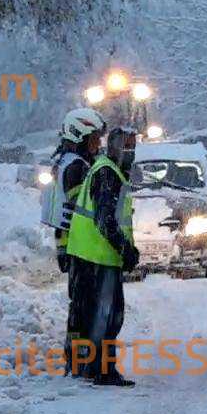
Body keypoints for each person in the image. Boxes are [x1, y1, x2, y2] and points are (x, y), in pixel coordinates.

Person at [64, 127, 139, 386]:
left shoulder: (104, 168)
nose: (130, 152)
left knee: (86, 313)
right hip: (98, 257)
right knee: (106, 315)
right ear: (115, 147)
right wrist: (125, 249)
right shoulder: (107, 173)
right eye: (126, 146)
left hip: (89, 254)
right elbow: (105, 219)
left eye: (133, 146)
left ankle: (81, 365)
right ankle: (101, 370)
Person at [46, 109, 106, 373]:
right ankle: (81, 359)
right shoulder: (76, 167)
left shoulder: (66, 162)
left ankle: (78, 358)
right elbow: (83, 207)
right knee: (84, 305)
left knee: (80, 304)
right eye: (93, 139)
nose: (98, 144)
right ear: (78, 137)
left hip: (72, 245)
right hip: (80, 247)